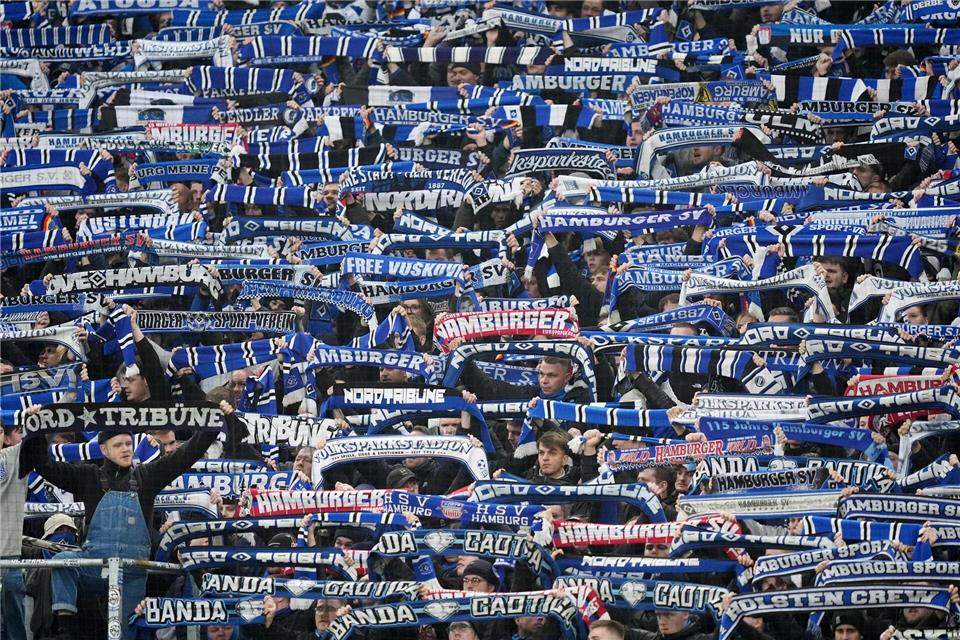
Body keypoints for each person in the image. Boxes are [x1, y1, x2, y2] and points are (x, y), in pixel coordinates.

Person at [37, 408, 233, 640]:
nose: (126, 449)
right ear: (103, 450)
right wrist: (36, 430)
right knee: (62, 562)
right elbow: (45, 466)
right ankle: (65, 628)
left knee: (125, 634)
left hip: (131, 574)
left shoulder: (147, 476)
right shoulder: (87, 476)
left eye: (128, 444)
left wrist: (214, 423)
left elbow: (186, 455)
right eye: (118, 445)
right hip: (95, 567)